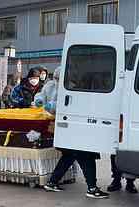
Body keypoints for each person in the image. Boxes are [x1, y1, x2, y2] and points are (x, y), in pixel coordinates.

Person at [39, 67, 110, 199]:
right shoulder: (70, 88)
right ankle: (92, 188)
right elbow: (50, 101)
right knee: (86, 156)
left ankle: (52, 182)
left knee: (68, 156)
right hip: (75, 128)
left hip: (68, 128)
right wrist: (49, 105)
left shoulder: (70, 87)